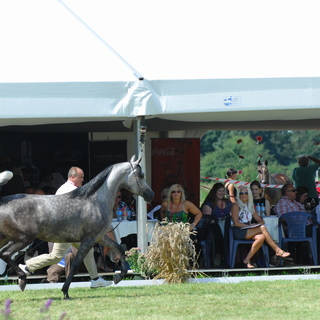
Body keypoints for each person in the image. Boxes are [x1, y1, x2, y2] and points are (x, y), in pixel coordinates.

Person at [19, 166, 112, 288]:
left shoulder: (66, 188)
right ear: (73, 177)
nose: (83, 180)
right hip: (66, 231)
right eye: (81, 177)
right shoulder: (71, 190)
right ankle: (26, 267)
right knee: (55, 256)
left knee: (87, 251)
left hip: (71, 230)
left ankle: (95, 279)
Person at [231, 185, 290, 269]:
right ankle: (277, 250)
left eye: (246, 193)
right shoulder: (236, 206)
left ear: (249, 195)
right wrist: (249, 226)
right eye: (241, 193)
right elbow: (236, 223)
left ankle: (246, 260)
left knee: (261, 237)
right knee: (262, 228)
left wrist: (254, 225)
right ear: (238, 195)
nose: (244, 195)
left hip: (247, 230)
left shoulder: (249, 206)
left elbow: (261, 220)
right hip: (238, 231)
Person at [200, 183, 232, 267]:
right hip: (213, 229)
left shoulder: (228, 203)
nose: (222, 193)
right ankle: (217, 257)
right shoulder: (209, 204)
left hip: (227, 226)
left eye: (223, 191)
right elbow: (207, 220)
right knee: (215, 229)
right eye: (219, 191)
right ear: (215, 192)